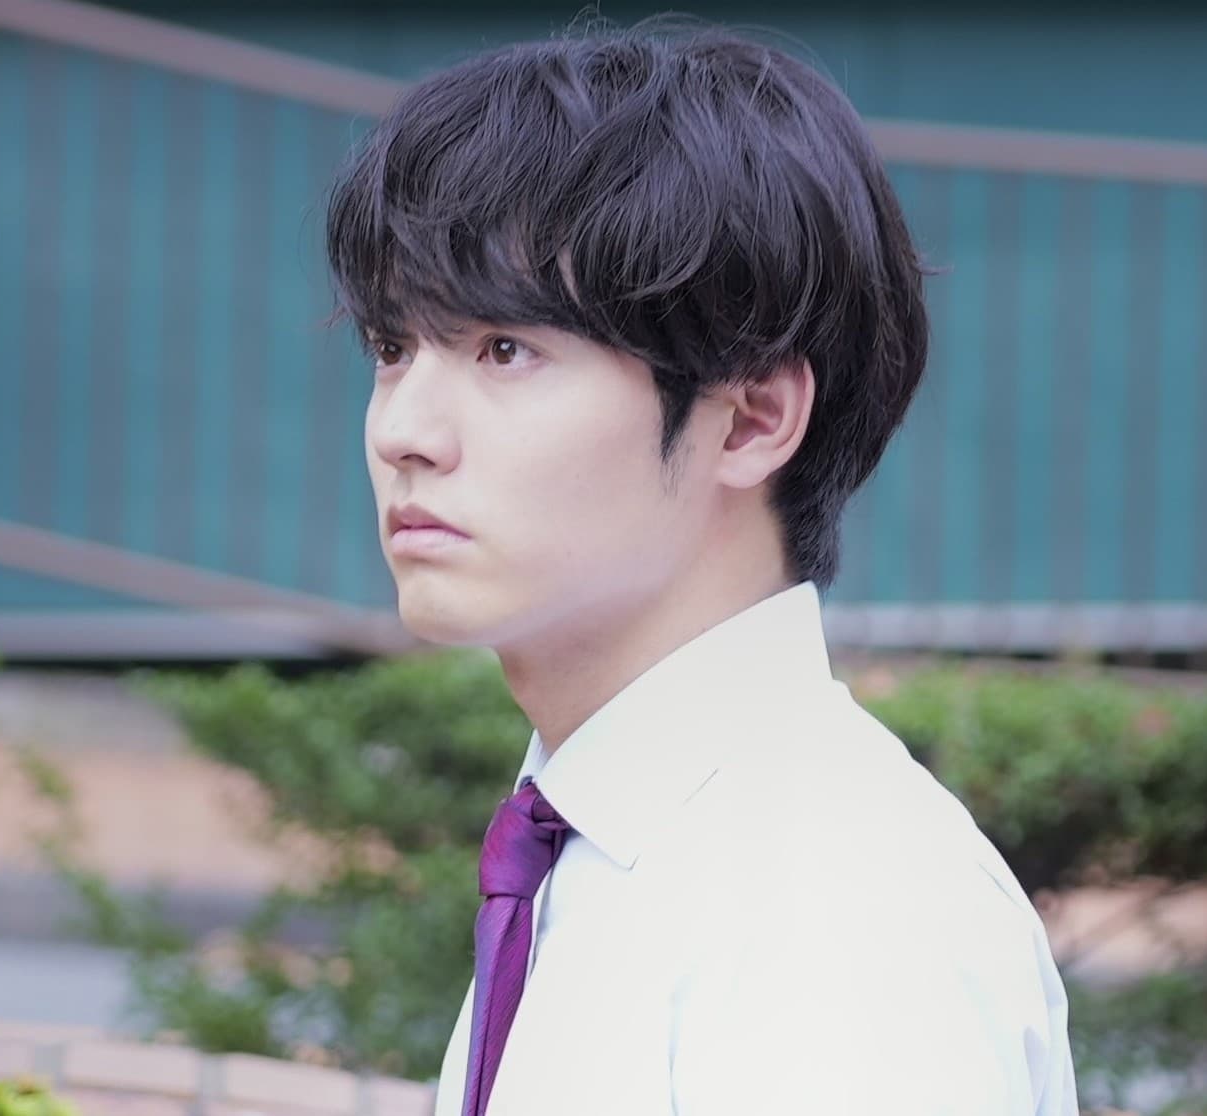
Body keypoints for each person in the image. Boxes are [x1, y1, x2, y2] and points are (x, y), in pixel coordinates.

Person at [322, 20, 1078, 1116]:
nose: (404, 431)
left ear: (751, 417)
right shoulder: (601, 846)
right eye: (392, 348)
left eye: (504, 350)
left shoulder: (833, 911)